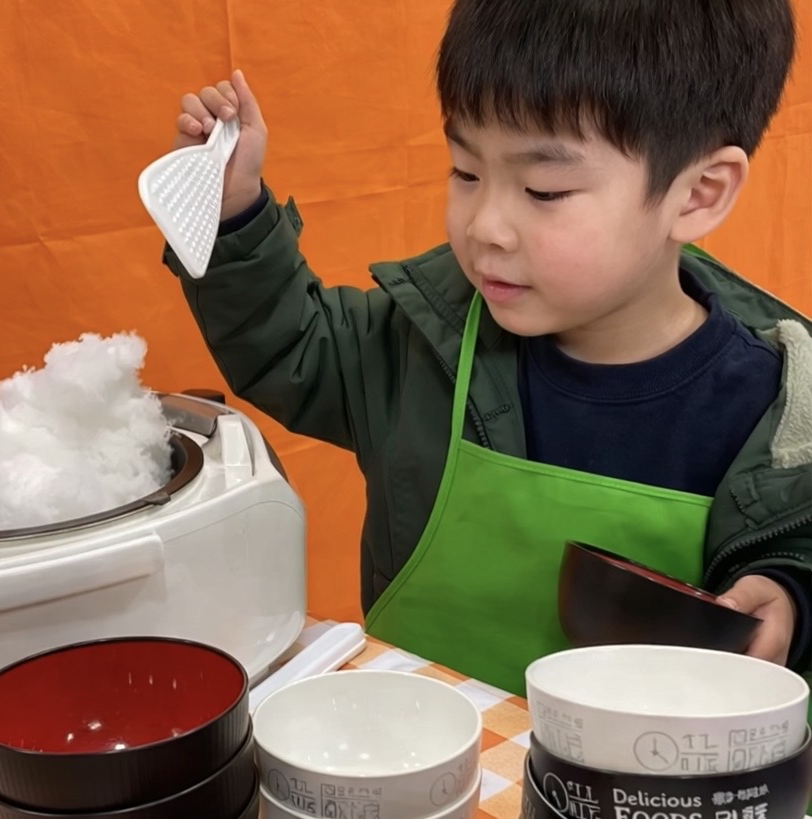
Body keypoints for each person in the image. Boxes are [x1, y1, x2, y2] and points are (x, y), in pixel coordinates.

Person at [160, 0, 812, 695]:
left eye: (544, 190)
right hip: (424, 742)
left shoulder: (781, 414)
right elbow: (292, 349)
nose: (485, 226)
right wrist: (234, 215)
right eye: (466, 172)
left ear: (699, 194)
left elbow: (796, 548)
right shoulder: (421, 342)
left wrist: (790, 597)